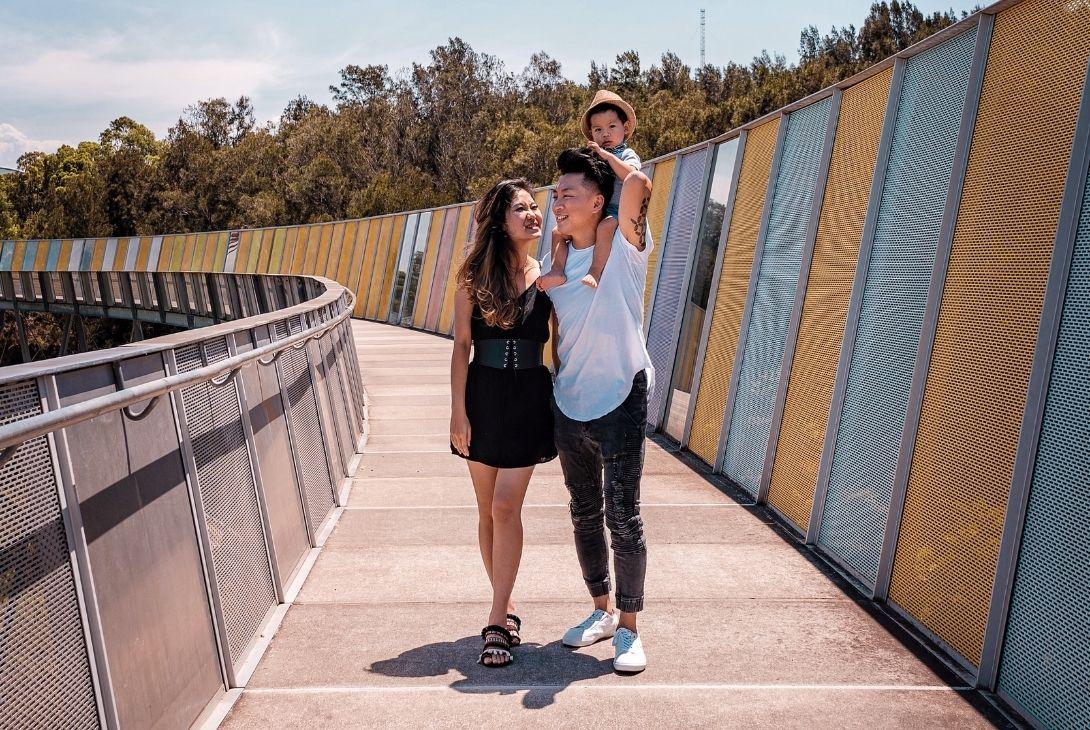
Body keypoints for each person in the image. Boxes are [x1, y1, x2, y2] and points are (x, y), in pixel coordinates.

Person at [544, 147, 654, 672]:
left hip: (621, 397)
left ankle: (629, 629)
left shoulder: (627, 248)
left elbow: (639, 186)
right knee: (584, 514)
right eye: (555, 194)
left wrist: (603, 158)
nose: (557, 202)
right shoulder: (554, 262)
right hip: (569, 402)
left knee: (623, 517)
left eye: (568, 194)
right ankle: (601, 611)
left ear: (596, 201)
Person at [449, 178, 557, 668]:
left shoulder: (552, 273)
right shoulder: (474, 274)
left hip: (531, 396)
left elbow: (565, 339)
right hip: (484, 395)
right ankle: (507, 602)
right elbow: (461, 345)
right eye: (522, 208)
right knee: (487, 511)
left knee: (506, 504)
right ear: (500, 219)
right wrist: (458, 411)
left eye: (536, 207)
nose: (534, 214)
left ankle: (495, 620)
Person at [538, 90, 642, 291]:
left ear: (625, 127)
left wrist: (607, 157)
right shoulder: (596, 156)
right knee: (556, 232)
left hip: (617, 209)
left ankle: (595, 271)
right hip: (598, 210)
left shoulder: (626, 154)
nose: (606, 134)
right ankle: (557, 270)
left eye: (612, 126)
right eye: (598, 130)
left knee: (604, 229)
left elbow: (633, 178)